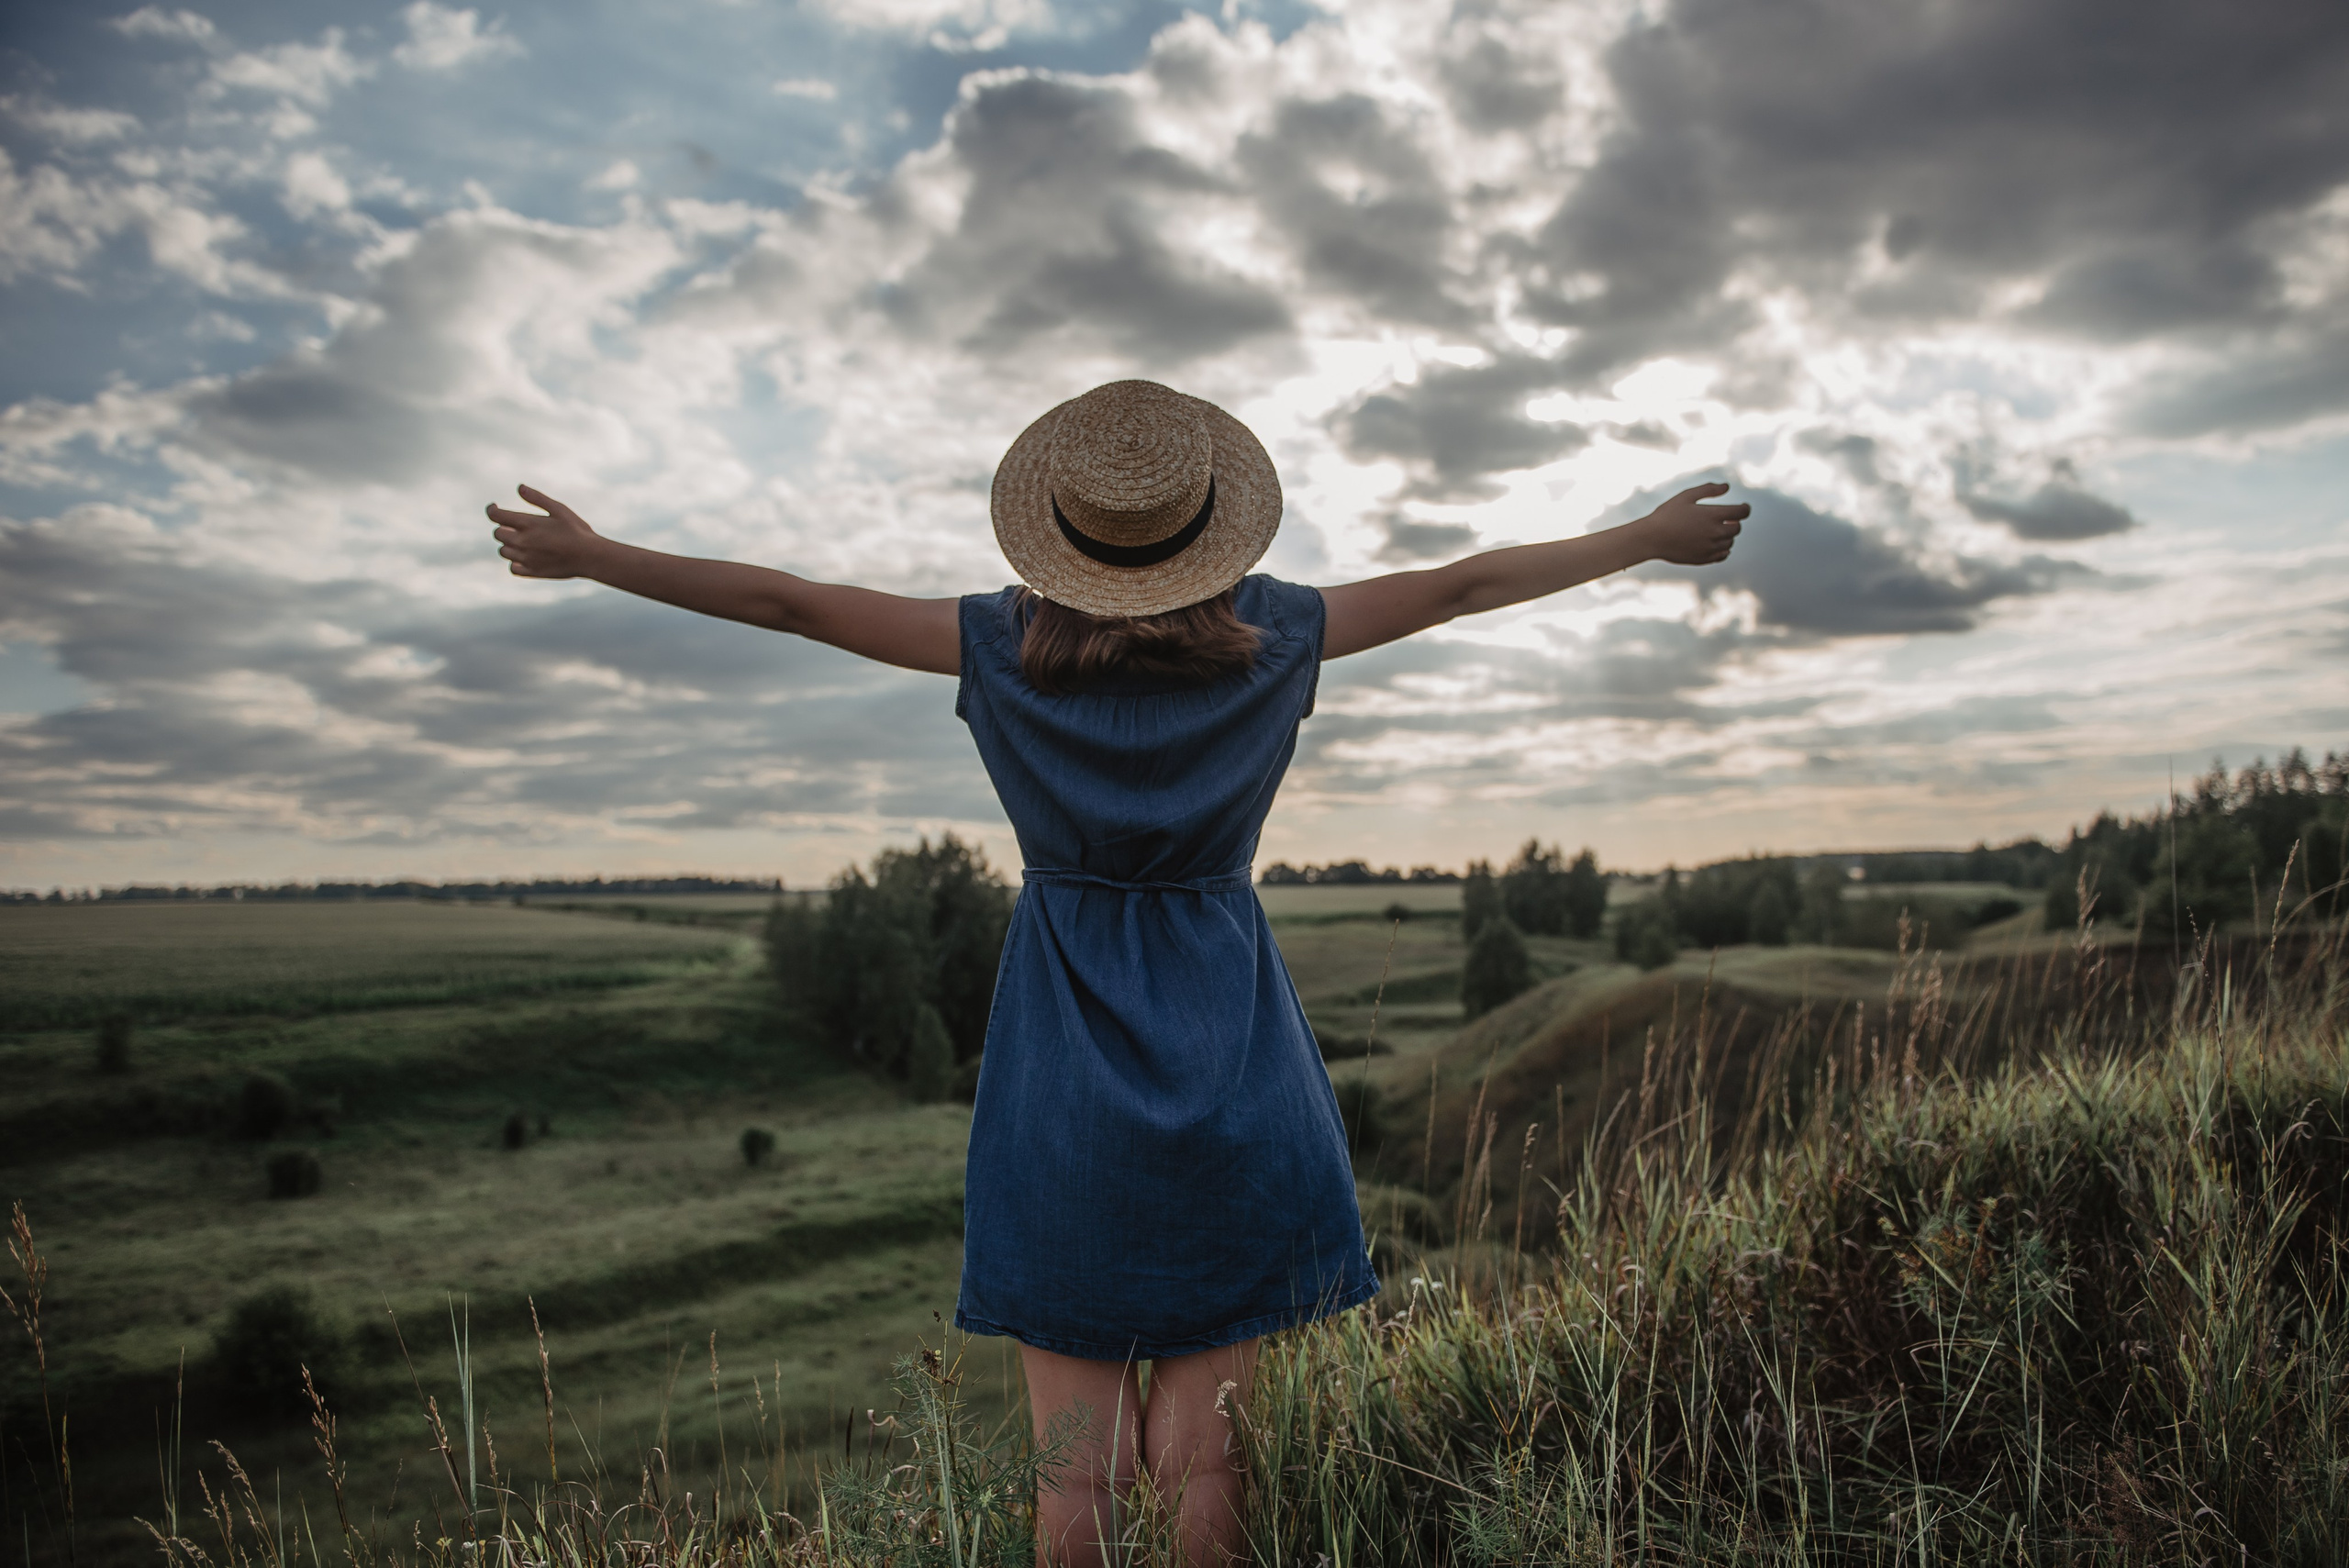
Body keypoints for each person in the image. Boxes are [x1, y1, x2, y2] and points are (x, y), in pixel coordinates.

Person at [488, 378, 1746, 1566]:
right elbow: (1465, 584)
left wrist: (599, 555)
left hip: (1060, 1073)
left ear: (1059, 537)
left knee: (1072, 1474)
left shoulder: (998, 644)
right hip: (1235, 1047)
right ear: (1210, 529)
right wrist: (1642, 534)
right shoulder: (1283, 636)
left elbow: (792, 605)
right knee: (1210, 1470)